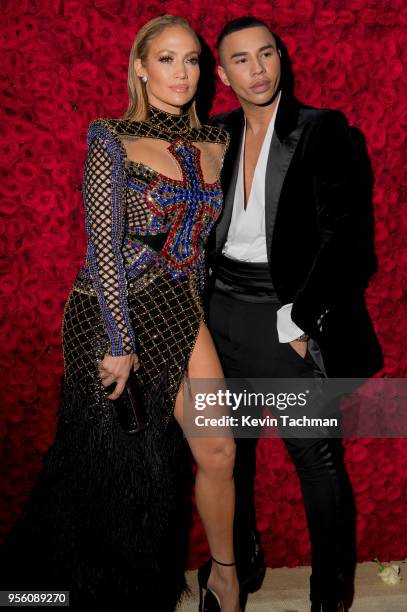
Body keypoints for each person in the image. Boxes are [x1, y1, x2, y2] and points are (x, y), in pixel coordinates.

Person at [0, 15, 240, 612]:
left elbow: (206, 245)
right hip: (112, 311)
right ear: (139, 66)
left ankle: (226, 576)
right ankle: (74, 592)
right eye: (166, 59)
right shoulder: (110, 136)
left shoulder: (217, 142)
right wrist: (118, 340)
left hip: (181, 308)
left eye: (190, 60)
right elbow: (101, 246)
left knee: (218, 449)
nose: (181, 73)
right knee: (111, 470)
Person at [207, 17, 384, 612]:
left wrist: (300, 319)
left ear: (281, 57)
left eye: (266, 54)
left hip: (281, 316)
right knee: (230, 451)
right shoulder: (217, 134)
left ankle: (329, 597)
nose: (257, 70)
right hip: (218, 314)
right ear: (222, 74)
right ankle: (240, 565)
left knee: (314, 455)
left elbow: (349, 238)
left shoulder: (320, 130)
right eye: (241, 60)